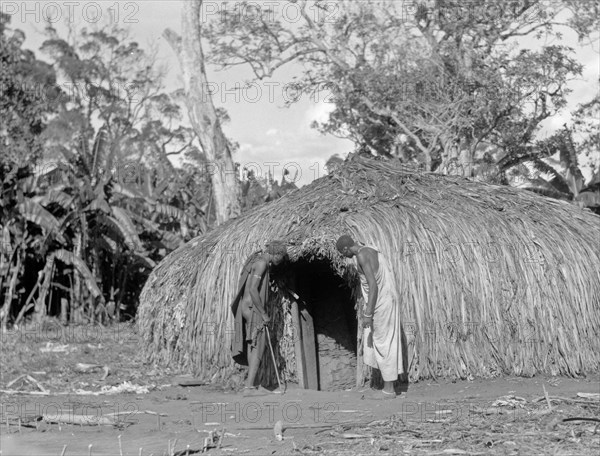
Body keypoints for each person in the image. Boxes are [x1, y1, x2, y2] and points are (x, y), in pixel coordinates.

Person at [336, 235, 403, 399]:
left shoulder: (361, 256)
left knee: (383, 343)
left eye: (342, 253)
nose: (344, 256)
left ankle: (389, 390)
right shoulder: (371, 249)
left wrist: (368, 314)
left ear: (345, 249)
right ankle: (388, 385)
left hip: (380, 305)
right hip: (388, 301)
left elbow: (373, 285)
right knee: (384, 341)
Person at [231, 240, 288, 396]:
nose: (280, 261)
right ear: (275, 254)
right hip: (253, 309)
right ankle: (249, 388)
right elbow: (253, 290)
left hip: (248, 308)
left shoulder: (258, 260)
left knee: (254, 345)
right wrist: (263, 313)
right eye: (281, 257)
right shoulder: (262, 263)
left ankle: (253, 385)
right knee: (259, 346)